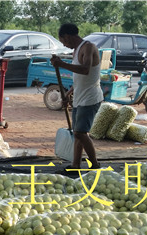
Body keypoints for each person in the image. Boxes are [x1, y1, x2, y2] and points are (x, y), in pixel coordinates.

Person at [51, 23, 102, 170]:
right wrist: (68, 93)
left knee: (80, 132)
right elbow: (79, 79)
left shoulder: (88, 47)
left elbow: (85, 70)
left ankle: (95, 164)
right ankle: (76, 164)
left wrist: (61, 64)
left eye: (64, 41)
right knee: (77, 133)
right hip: (80, 97)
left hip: (90, 98)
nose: (65, 45)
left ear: (68, 36)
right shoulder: (76, 51)